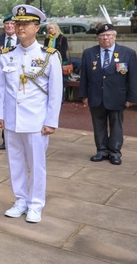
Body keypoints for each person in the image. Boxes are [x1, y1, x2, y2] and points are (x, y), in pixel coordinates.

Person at [0, 4, 62, 223]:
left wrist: (51, 121)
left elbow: (55, 93)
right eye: (18, 23)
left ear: (37, 27)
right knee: (15, 162)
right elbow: (2, 89)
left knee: (37, 165)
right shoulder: (7, 56)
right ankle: (20, 200)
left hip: (36, 121)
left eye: (25, 24)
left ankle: (35, 204)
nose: (20, 27)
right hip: (13, 120)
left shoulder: (48, 56)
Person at [79, 23, 137, 165]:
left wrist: (132, 97)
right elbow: (84, 76)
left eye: (109, 35)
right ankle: (102, 150)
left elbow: (133, 78)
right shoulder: (89, 53)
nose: (106, 38)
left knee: (117, 125)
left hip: (117, 96)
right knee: (98, 125)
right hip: (96, 96)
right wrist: (84, 95)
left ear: (115, 37)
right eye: (102, 35)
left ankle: (115, 152)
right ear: (98, 38)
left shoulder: (128, 53)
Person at [0, 14, 17, 149]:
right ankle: (5, 139)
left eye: (12, 23)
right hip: (2, 81)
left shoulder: (21, 40)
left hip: (18, 82)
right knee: (3, 109)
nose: (9, 26)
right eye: (7, 23)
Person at [44, 23, 71, 100]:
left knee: (61, 81)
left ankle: (61, 98)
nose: (50, 30)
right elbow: (45, 49)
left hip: (60, 61)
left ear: (56, 29)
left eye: (52, 28)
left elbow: (63, 50)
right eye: (49, 29)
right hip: (49, 61)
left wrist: (55, 57)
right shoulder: (47, 38)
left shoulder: (62, 38)